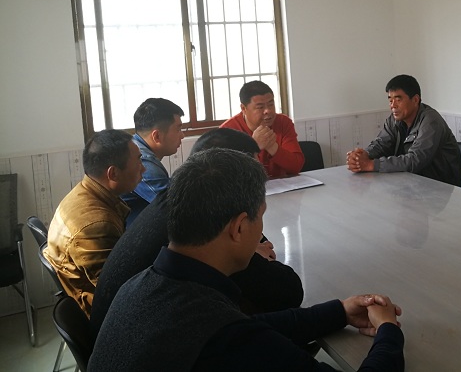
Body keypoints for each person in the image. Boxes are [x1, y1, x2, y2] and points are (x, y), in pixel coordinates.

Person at [89, 148, 404, 371]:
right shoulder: (226, 342)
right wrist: (389, 331)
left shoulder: (141, 287)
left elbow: (246, 326)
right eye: (261, 217)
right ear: (239, 228)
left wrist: (339, 312)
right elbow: (240, 336)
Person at [90, 128, 304, 336]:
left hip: (116, 334)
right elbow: (287, 293)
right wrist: (253, 253)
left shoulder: (175, 200)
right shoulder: (206, 224)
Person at [44, 129, 144, 317]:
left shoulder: (85, 191)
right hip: (106, 316)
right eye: (138, 161)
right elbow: (118, 290)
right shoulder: (96, 225)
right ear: (113, 173)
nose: (143, 169)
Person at [346, 74, 461, 186]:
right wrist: (362, 156)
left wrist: (372, 165)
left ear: (415, 100)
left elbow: (415, 160)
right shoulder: (394, 119)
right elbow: (381, 144)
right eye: (390, 100)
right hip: (411, 182)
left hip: (440, 187)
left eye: (398, 100)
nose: (393, 105)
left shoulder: (431, 121)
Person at [221, 80, 304, 178]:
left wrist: (272, 146)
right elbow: (227, 175)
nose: (268, 111)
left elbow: (296, 166)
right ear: (243, 108)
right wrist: (253, 147)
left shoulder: (283, 122)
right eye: (260, 107)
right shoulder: (226, 131)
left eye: (271, 104)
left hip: (282, 185)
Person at [121, 98, 184, 225]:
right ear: (157, 136)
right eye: (178, 129)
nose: (182, 135)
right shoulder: (142, 162)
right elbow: (176, 208)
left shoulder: (135, 146)